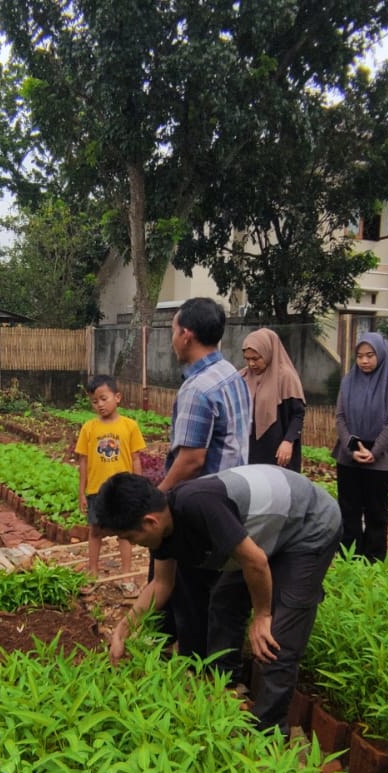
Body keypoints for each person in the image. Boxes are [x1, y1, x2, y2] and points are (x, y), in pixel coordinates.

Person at [94, 467, 341, 733]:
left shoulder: (199, 505)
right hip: (264, 532)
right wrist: (123, 630)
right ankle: (226, 686)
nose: (132, 544)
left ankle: (269, 732)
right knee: (224, 602)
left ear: (150, 522)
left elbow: (256, 561)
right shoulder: (164, 526)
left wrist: (262, 615)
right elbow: (162, 584)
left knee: (277, 638)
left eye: (130, 538)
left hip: (309, 523)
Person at [158, 297, 253, 657]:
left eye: (173, 331)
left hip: (202, 503)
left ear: (186, 334)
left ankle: (194, 663)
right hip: (233, 494)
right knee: (218, 591)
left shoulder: (198, 388)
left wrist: (160, 496)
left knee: (192, 593)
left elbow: (191, 461)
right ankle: (217, 662)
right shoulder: (231, 373)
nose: (172, 339)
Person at [334, 332, 388, 562]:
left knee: (376, 512)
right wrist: (351, 448)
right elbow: (340, 417)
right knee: (349, 510)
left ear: (381, 355)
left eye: (370, 355)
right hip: (349, 454)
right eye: (359, 356)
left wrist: (374, 451)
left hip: (380, 457)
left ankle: (374, 561)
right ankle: (349, 558)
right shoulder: (349, 380)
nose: (364, 361)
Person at [74, 374, 146, 576]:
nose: (100, 405)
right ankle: (93, 570)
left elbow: (136, 459)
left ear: (117, 397)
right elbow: (83, 461)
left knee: (124, 532)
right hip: (96, 490)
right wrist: (82, 492)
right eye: (94, 401)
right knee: (95, 530)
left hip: (122, 491)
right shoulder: (89, 428)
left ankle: (126, 573)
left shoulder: (130, 426)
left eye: (103, 399)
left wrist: (138, 488)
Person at [240, 328, 306, 471]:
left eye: (256, 359)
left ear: (268, 353)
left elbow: (297, 414)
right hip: (250, 450)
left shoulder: (285, 377)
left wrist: (288, 441)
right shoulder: (243, 377)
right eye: (247, 359)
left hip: (278, 451)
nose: (251, 364)